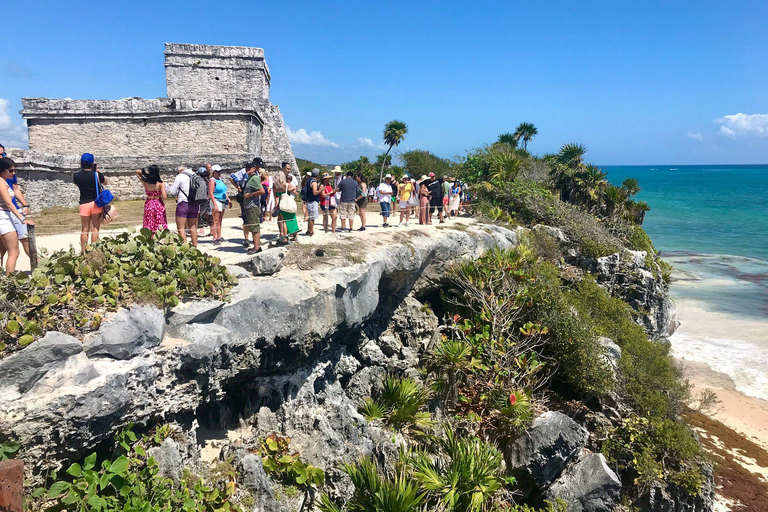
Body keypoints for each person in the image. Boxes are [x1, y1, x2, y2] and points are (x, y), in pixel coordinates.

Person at [0, 158, 33, 274]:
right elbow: (9, 203)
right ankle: (9, 280)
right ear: (2, 171)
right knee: (13, 252)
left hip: (5, 216)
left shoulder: (3, 181)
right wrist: (22, 219)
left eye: (15, 170)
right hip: (3, 217)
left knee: (12, 251)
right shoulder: (1, 182)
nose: (13, 173)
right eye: (10, 171)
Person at [72, 153, 107, 251]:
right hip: (96, 203)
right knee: (95, 227)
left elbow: (76, 184)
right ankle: (94, 250)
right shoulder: (96, 175)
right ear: (92, 163)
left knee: (84, 229)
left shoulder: (77, 176)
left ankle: (83, 251)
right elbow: (105, 182)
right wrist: (97, 171)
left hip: (84, 203)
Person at [167, 166, 200, 246]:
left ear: (179, 171)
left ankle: (184, 249)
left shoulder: (180, 176)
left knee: (181, 228)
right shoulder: (195, 175)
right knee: (193, 228)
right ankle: (195, 248)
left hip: (183, 203)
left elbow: (172, 191)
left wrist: (167, 186)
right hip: (195, 203)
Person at [135, 164, 168, 232]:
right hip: (158, 203)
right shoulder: (161, 183)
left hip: (149, 203)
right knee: (159, 221)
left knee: (149, 220)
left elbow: (137, 172)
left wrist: (145, 173)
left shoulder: (145, 182)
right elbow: (164, 197)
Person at [242, 162, 265, 254]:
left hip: (253, 206)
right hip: (249, 206)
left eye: (249, 167)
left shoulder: (254, 178)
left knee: (254, 226)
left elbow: (262, 191)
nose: (247, 168)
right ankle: (256, 246)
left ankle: (256, 247)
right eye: (246, 167)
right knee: (252, 226)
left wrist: (250, 195)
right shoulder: (250, 178)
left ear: (254, 168)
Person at [273, 160, 299, 241]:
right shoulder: (286, 184)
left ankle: (281, 233)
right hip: (287, 202)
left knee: (280, 219)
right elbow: (295, 193)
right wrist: (293, 188)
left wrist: (276, 204)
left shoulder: (275, 185)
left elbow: (275, 196)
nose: (289, 170)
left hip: (280, 202)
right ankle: (287, 236)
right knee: (288, 220)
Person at [230, 163, 252, 246]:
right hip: (244, 194)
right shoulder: (242, 172)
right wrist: (237, 187)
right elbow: (231, 178)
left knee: (252, 218)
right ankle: (246, 239)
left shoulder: (255, 173)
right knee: (245, 218)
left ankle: (253, 238)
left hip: (252, 195)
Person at [208, 164, 230, 244]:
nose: (219, 173)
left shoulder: (220, 180)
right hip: (216, 200)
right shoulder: (212, 180)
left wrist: (228, 199)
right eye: (217, 172)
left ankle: (219, 236)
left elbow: (224, 191)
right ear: (213, 172)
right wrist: (215, 204)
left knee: (220, 220)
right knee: (215, 220)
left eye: (219, 171)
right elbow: (210, 193)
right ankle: (214, 238)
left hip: (222, 200)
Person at [304, 168, 322, 236]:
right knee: (312, 217)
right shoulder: (314, 182)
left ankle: (309, 230)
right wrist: (320, 190)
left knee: (310, 217)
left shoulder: (308, 180)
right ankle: (311, 231)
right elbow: (314, 192)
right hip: (313, 201)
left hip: (309, 200)